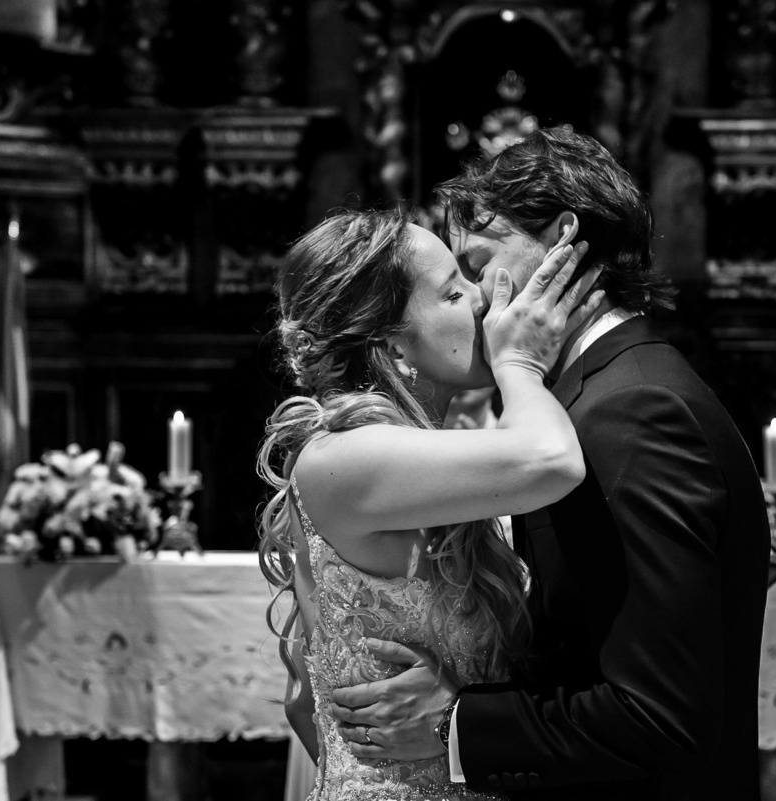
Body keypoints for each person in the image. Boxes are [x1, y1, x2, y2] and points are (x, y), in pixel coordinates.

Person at [327, 127, 772, 801]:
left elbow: (661, 713)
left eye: (478, 266)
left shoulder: (633, 412)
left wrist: (456, 724)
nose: (475, 299)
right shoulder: (599, 394)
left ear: (562, 237)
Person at [256, 207, 605, 800]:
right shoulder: (342, 458)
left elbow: (302, 702)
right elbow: (552, 461)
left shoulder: (418, 452)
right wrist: (520, 364)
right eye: (451, 292)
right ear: (392, 345)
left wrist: (452, 719)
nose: (482, 300)